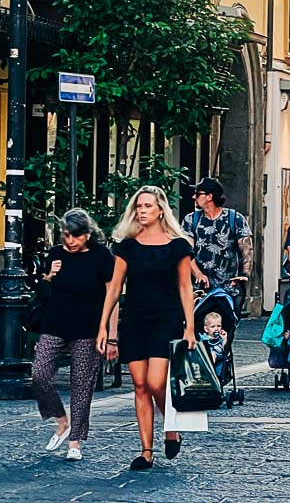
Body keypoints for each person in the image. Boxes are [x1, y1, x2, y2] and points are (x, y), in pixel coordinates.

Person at [96, 186, 196, 471]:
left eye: (148, 206)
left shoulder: (179, 245)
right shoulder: (126, 245)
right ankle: (146, 451)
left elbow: (185, 287)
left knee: (156, 382)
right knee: (139, 385)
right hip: (135, 319)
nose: (141, 210)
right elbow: (115, 287)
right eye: (138, 206)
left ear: (161, 210)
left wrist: (189, 327)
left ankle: (172, 425)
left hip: (166, 318)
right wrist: (104, 327)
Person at [30, 209, 116, 462]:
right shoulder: (56, 254)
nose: (70, 241)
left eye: (75, 237)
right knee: (39, 375)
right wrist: (49, 274)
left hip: (88, 328)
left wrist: (110, 334)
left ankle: (75, 441)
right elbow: (44, 291)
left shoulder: (102, 256)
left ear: (87, 234)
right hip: (54, 323)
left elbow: (112, 297)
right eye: (66, 235)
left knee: (81, 386)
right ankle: (61, 419)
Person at [184, 177, 253, 305]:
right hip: (198, 290)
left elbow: (246, 248)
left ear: (209, 196)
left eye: (198, 193)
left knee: (225, 324)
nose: (194, 197)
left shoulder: (235, 219)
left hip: (228, 288)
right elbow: (186, 251)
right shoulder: (191, 220)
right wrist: (198, 274)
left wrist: (244, 275)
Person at [200, 311, 227, 382]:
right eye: (213, 326)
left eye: (219, 326)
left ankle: (209, 371)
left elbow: (225, 349)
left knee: (213, 355)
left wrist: (224, 339)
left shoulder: (220, 338)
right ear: (206, 329)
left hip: (218, 355)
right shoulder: (204, 337)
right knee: (210, 354)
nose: (216, 328)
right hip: (205, 355)